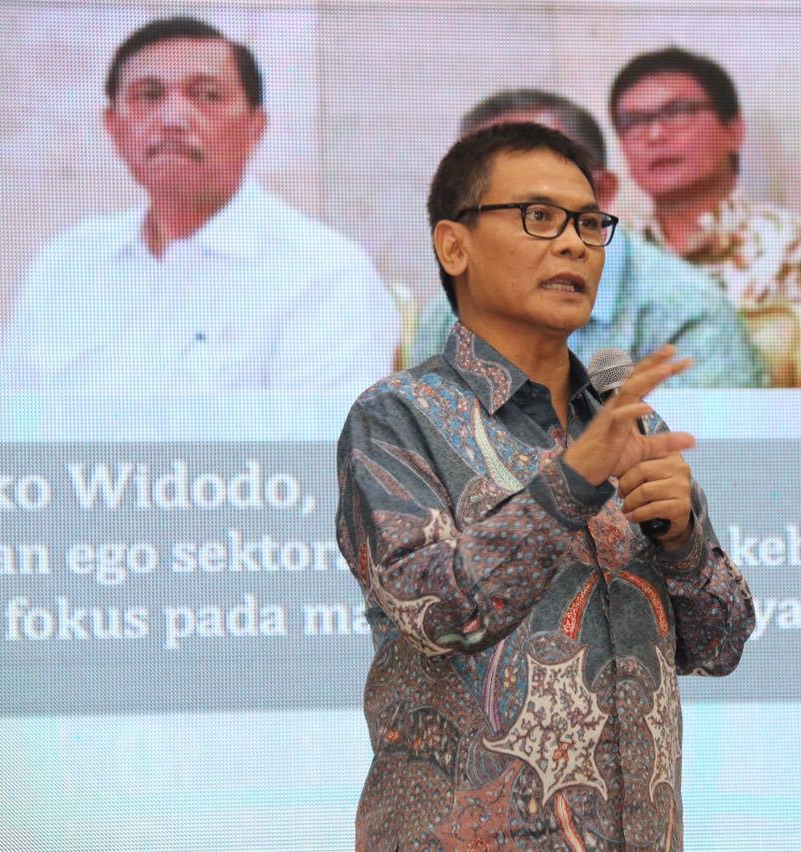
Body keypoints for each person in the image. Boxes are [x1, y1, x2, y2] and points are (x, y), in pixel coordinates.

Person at [336, 122, 754, 849]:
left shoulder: (631, 424)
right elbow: (438, 611)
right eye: (539, 217)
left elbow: (720, 646)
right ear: (454, 246)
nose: (573, 245)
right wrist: (573, 482)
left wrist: (684, 543)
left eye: (589, 224)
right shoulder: (397, 419)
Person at [0, 16, 398, 392]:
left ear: (255, 127)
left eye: (205, 95)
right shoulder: (65, 266)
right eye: (148, 95)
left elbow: (322, 445)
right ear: (114, 128)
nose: (172, 118)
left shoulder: (324, 273)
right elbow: (4, 429)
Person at [404, 89, 763, 387]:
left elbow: (701, 450)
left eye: (537, 212)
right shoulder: (450, 311)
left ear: (601, 192)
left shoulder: (688, 313)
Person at [609, 46, 801, 387]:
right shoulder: (611, 257)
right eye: (634, 122)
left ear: (733, 131)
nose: (655, 134)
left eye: (678, 112)